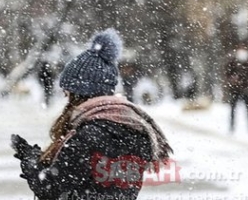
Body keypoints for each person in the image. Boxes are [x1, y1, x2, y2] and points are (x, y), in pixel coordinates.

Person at [10, 29, 173, 200]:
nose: (66, 96)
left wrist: (29, 161)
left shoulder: (88, 136)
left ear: (79, 92)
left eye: (68, 92)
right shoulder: (135, 130)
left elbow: (51, 187)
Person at [224, 46, 248, 133]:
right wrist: (232, 80)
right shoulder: (232, 63)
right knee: (233, 109)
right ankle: (232, 126)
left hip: (245, 89)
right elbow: (227, 73)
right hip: (235, 90)